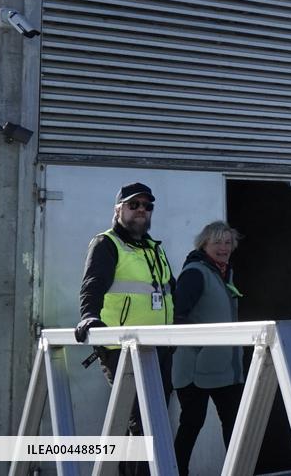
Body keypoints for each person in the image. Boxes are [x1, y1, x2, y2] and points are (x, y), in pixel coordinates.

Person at [76, 182, 175, 475]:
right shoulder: (107, 243)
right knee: (142, 422)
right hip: (121, 349)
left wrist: (182, 331)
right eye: (134, 205)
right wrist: (88, 316)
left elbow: (171, 291)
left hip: (159, 348)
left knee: (153, 422)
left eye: (147, 206)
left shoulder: (154, 249)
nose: (141, 210)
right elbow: (92, 285)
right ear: (118, 209)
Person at [171, 221, 245, 475]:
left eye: (228, 242)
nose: (224, 248)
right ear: (204, 244)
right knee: (191, 424)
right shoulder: (195, 272)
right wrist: (199, 348)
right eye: (217, 242)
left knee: (236, 426)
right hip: (195, 370)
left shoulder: (225, 272)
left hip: (225, 369)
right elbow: (177, 316)